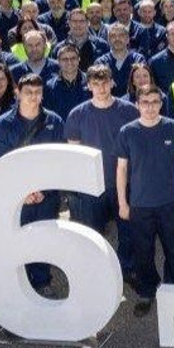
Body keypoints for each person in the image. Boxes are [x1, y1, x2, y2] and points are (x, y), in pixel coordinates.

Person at [114, 87, 174, 314]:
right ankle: (147, 291)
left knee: (173, 249)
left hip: (169, 203)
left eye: (155, 102)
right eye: (145, 102)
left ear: (161, 103)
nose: (150, 107)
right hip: (140, 206)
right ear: (137, 104)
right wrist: (123, 203)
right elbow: (121, 169)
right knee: (143, 252)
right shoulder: (127, 132)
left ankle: (172, 285)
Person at [0, 74, 67, 297]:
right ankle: (21, 285)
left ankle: (43, 282)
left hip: (46, 195)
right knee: (18, 240)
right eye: (28, 92)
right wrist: (21, 193)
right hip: (17, 197)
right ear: (17, 93)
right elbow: (1, 161)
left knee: (43, 239)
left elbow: (59, 159)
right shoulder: (4, 124)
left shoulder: (54, 121)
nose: (33, 97)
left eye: (37, 92)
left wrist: (45, 190)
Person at [63, 65, 137, 233]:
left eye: (105, 82)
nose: (101, 88)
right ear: (88, 85)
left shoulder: (130, 111)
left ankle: (127, 261)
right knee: (94, 235)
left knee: (128, 234)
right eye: (96, 83)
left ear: (112, 83)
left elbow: (138, 149)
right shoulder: (77, 115)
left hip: (124, 183)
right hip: (92, 186)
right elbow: (75, 156)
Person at [44, 45, 90, 120]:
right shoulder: (49, 86)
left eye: (73, 58)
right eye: (65, 59)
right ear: (58, 61)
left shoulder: (90, 82)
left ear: (79, 59)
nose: (69, 62)